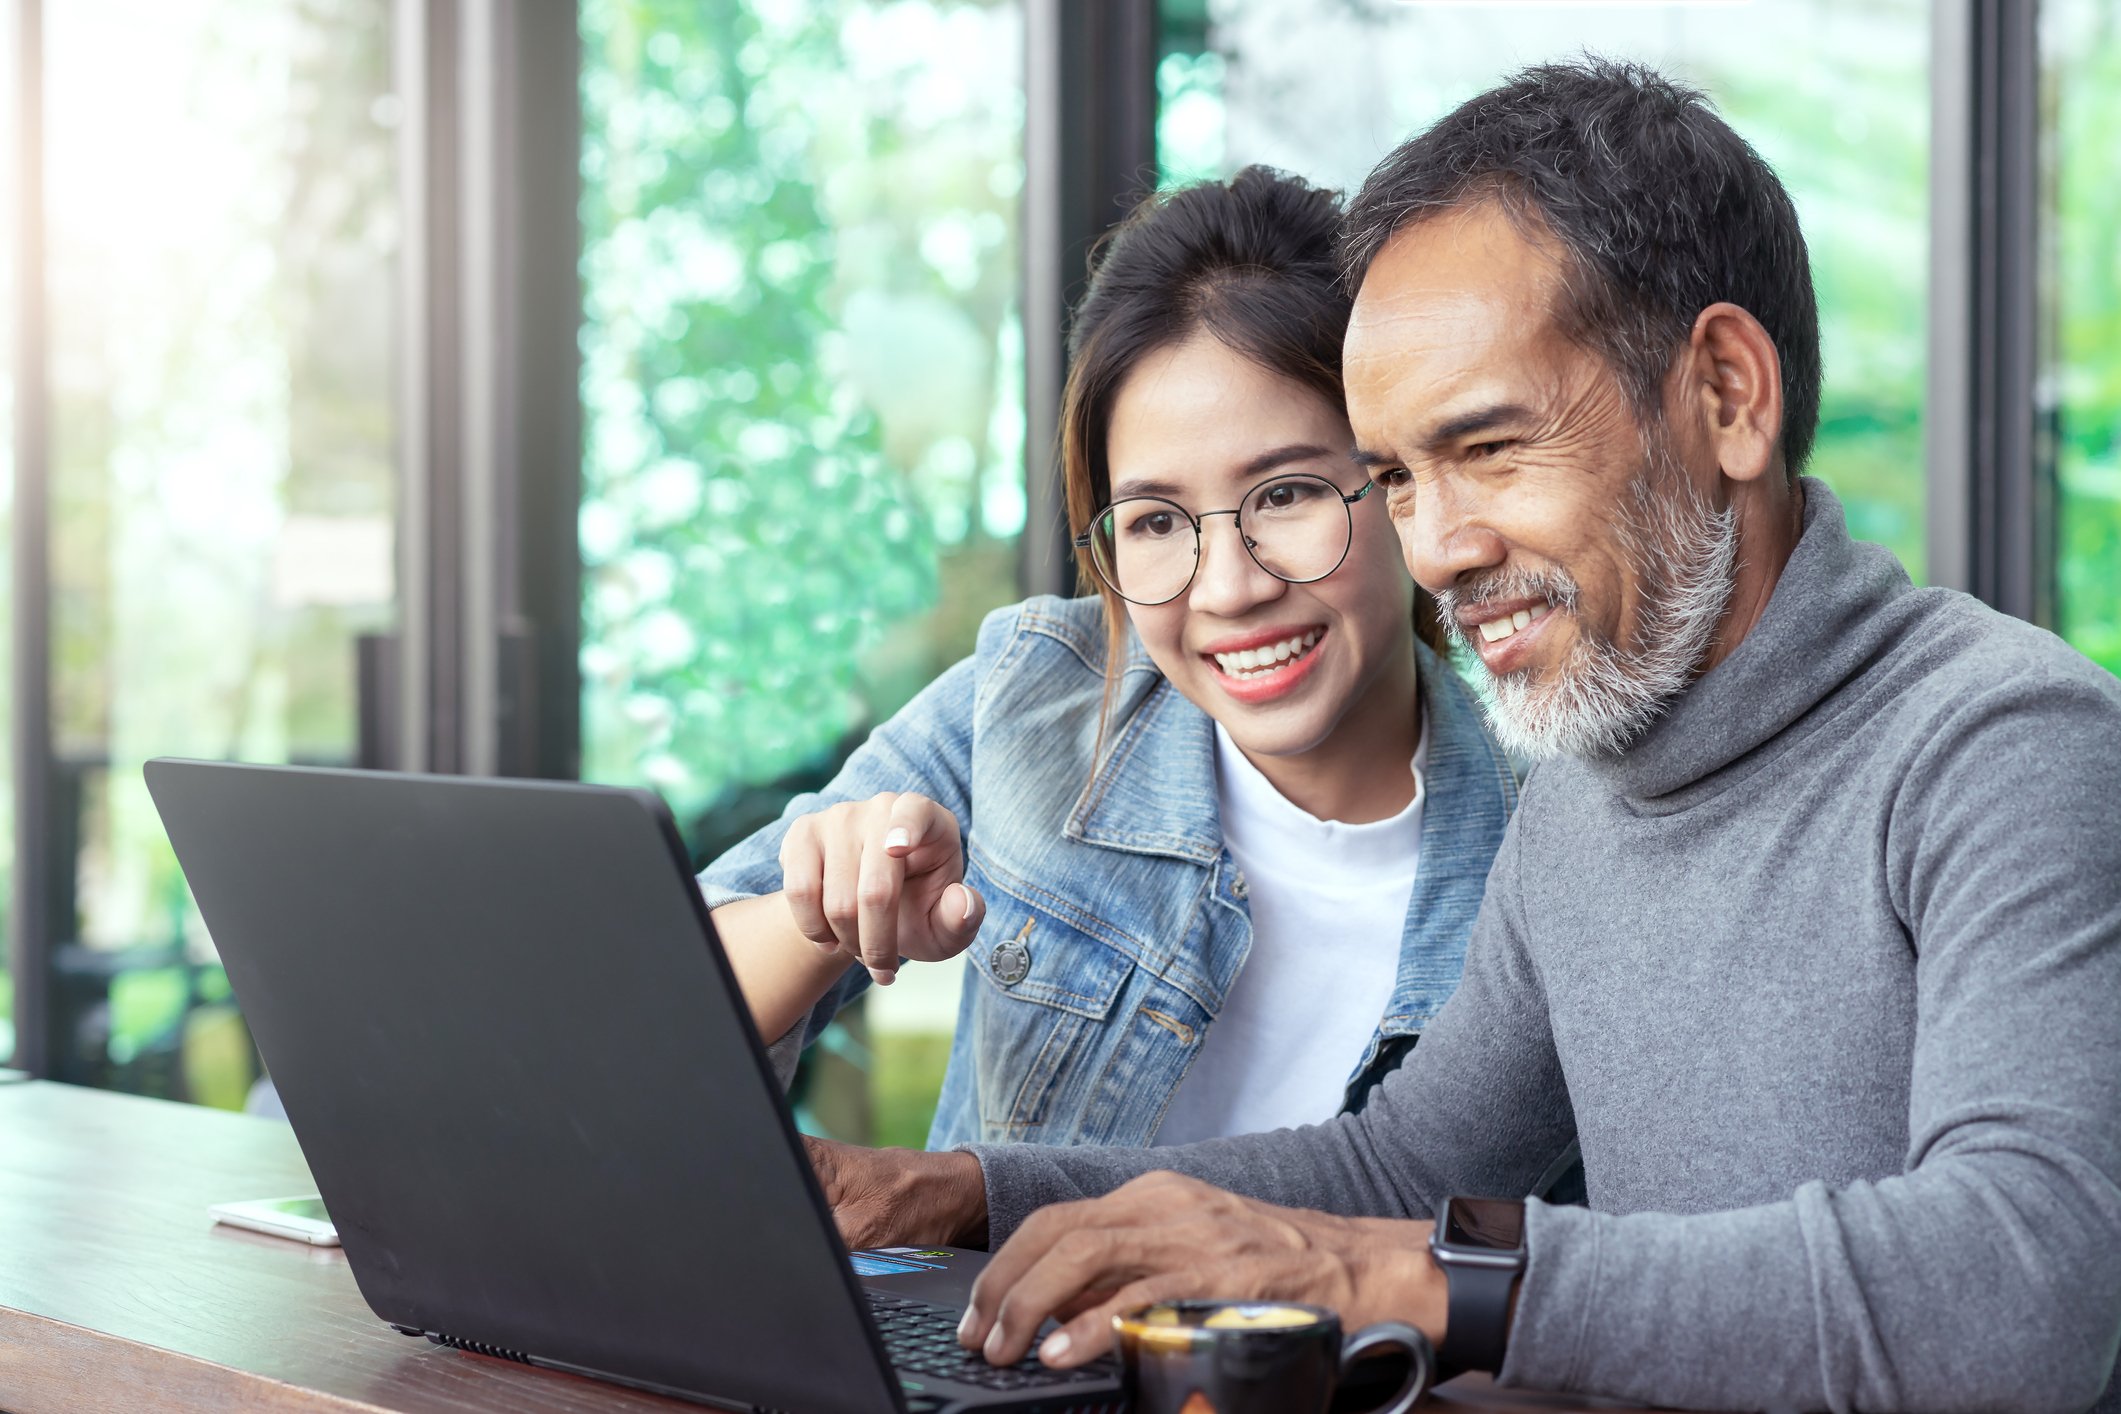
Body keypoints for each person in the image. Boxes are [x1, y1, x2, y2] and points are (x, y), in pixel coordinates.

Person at [801, 61, 2121, 1413]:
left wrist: (1396, 1280)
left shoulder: (2005, 744)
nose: (1437, 550)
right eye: (1393, 478)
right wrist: (964, 1191)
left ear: (1726, 393)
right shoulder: (1587, 796)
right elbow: (1400, 1168)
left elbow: (2020, 1291)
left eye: (1487, 448)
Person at [700, 167, 1526, 1159]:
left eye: (1287, 496)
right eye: (1156, 521)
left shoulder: (1543, 847)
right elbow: (650, 1014)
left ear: (1397, 483)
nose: (1227, 588)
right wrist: (825, 914)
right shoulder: (1036, 695)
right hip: (990, 1320)